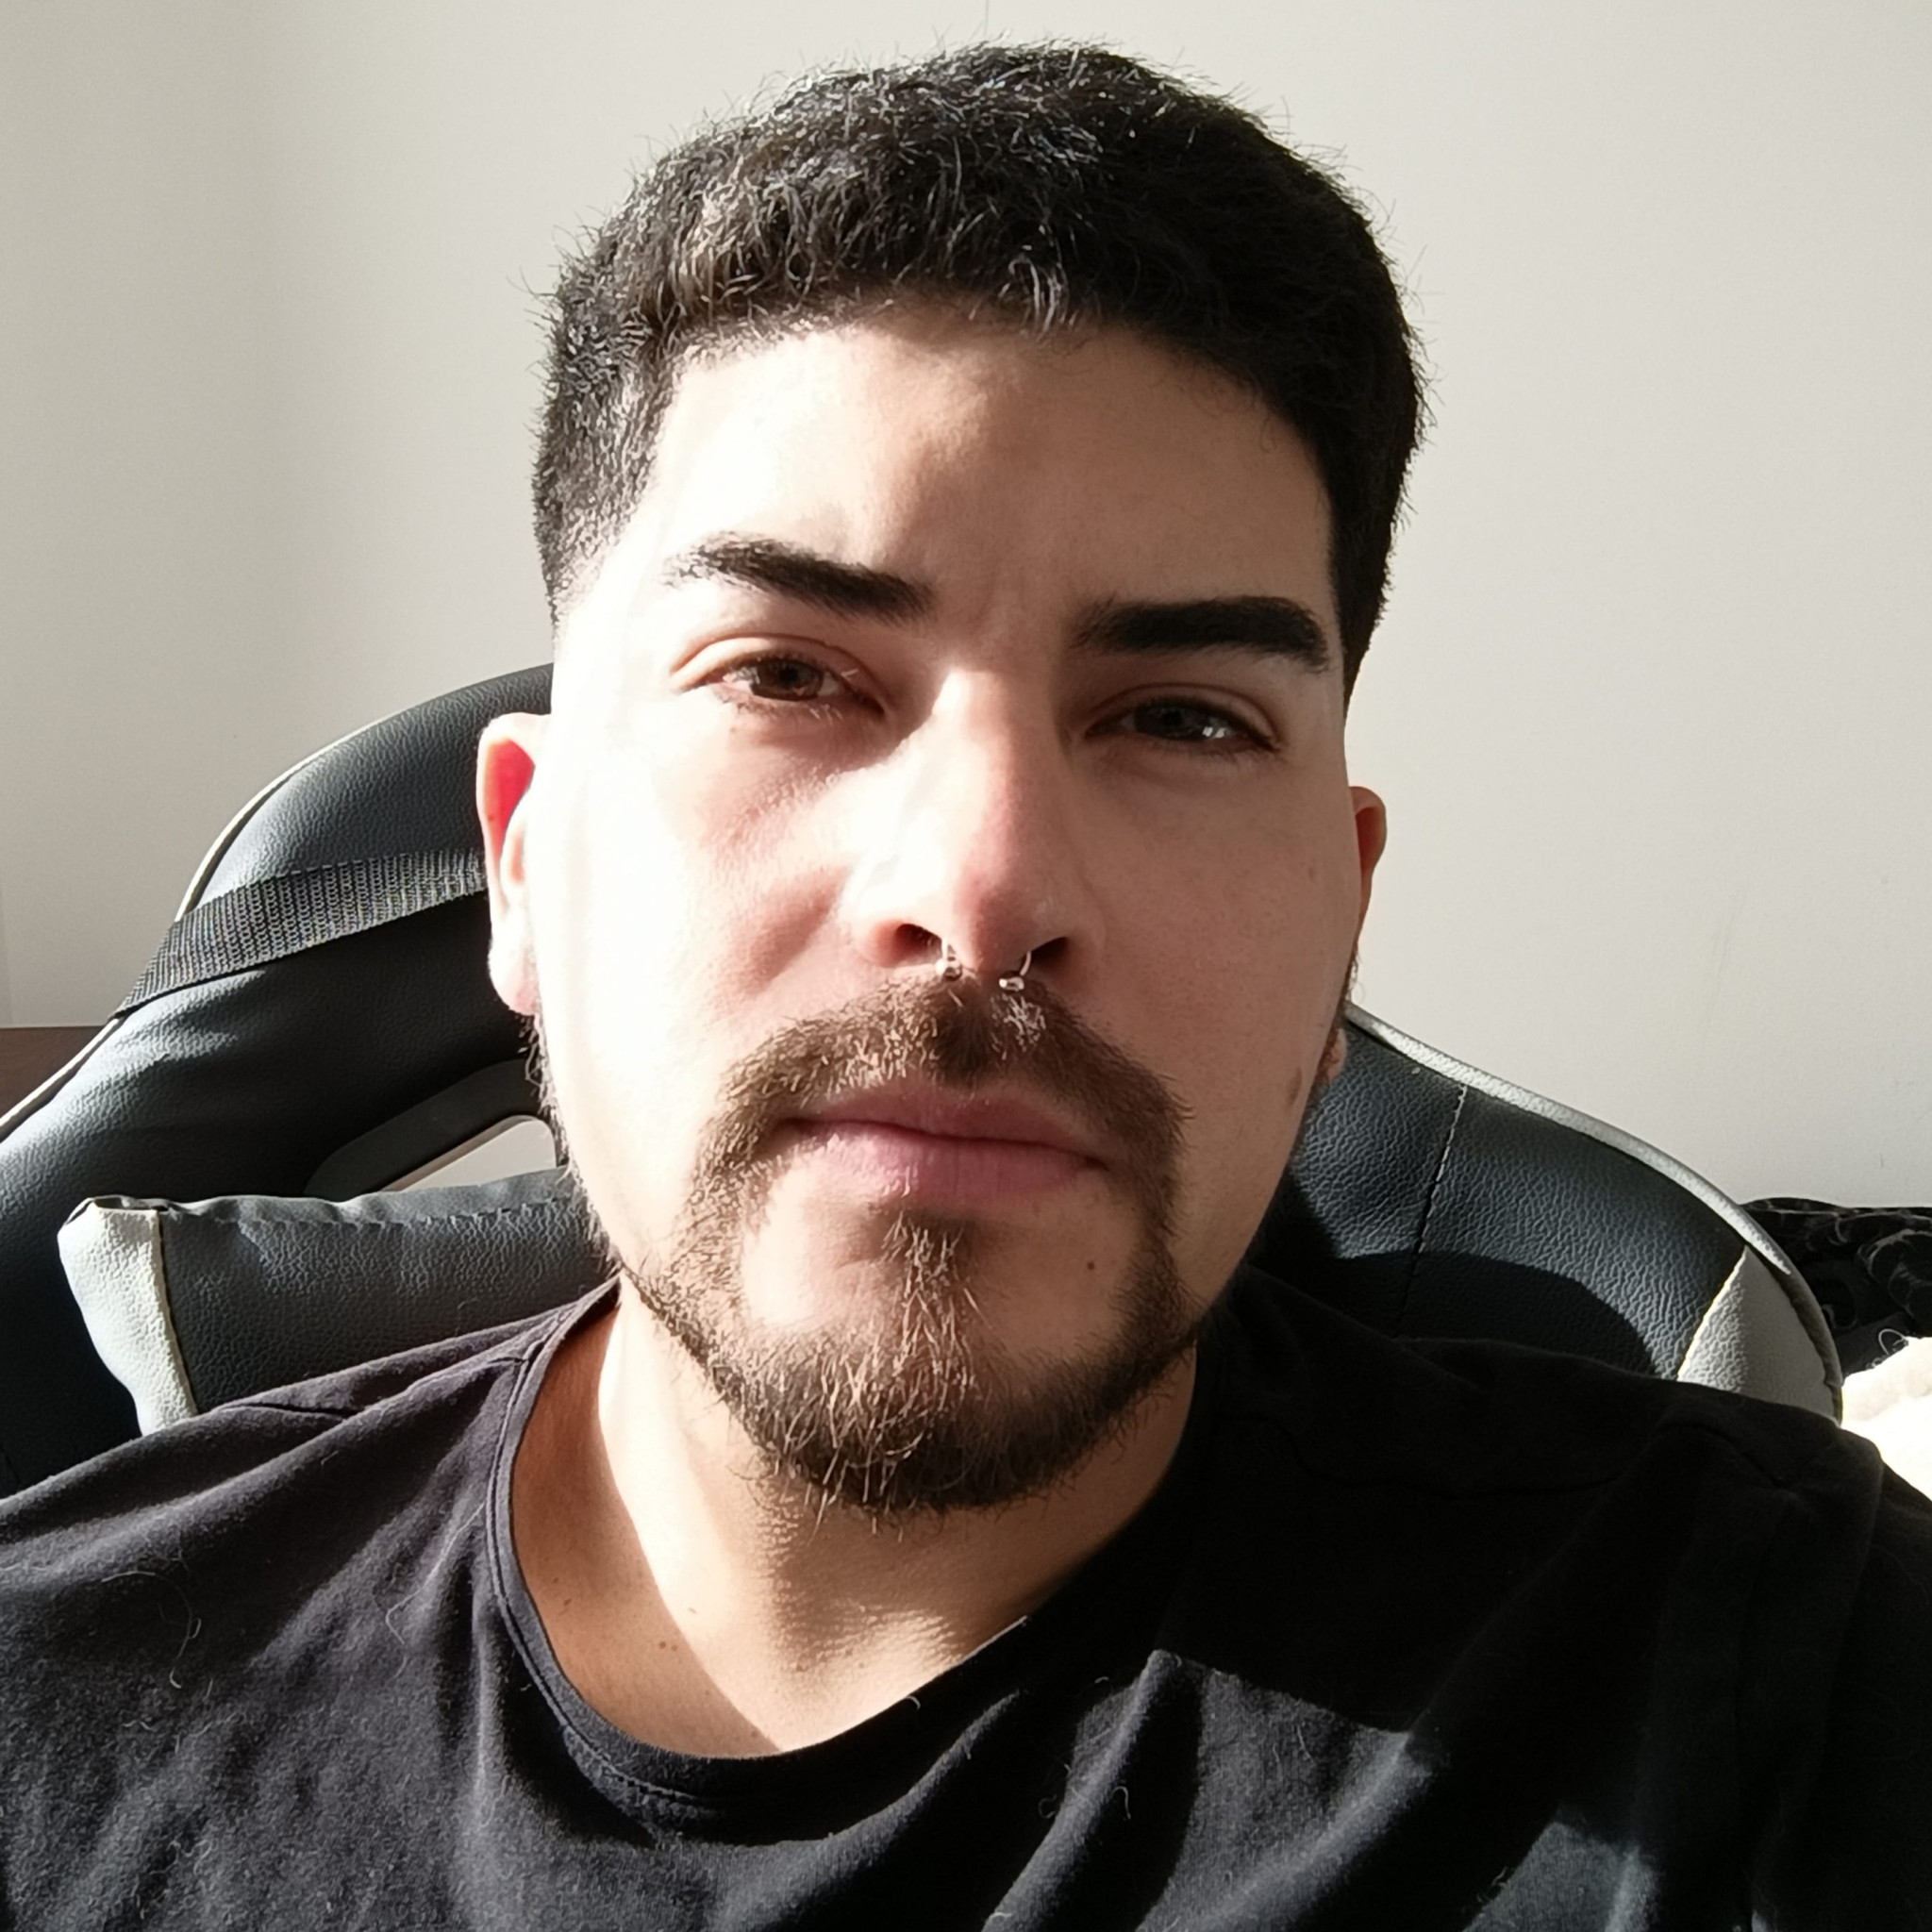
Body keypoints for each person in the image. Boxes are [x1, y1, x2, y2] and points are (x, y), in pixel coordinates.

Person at [1, 43, 1928, 1929]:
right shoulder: (47, 1720)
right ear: (525, 859)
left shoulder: (1782, 1662)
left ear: (1341, 923)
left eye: (1181, 717)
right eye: (787, 675)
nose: (984, 889)